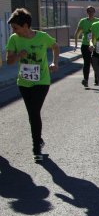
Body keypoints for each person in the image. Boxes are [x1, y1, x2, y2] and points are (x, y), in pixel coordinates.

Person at [5, 8, 60, 163]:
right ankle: (39, 140)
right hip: (23, 82)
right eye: (13, 28)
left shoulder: (42, 37)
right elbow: (9, 61)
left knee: (34, 112)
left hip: (42, 81)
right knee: (32, 114)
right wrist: (17, 56)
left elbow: (55, 47)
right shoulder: (14, 39)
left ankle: (36, 147)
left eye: (16, 28)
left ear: (26, 25)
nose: (14, 31)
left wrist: (55, 62)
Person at [74, 6, 99, 87]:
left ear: (94, 12)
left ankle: (97, 79)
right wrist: (75, 44)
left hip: (95, 45)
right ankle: (85, 80)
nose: (91, 13)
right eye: (89, 11)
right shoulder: (83, 21)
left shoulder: (98, 21)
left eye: (92, 11)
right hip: (85, 44)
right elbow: (77, 33)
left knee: (95, 63)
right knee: (86, 63)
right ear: (87, 12)